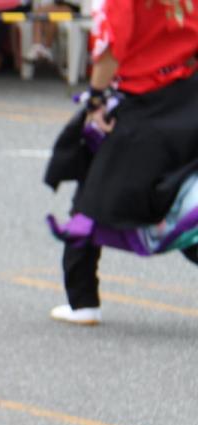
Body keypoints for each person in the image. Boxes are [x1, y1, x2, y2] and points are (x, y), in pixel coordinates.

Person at [43, 0, 198, 324]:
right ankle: (82, 299)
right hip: (186, 102)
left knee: (88, 200)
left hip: (138, 108)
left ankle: (82, 301)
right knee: (182, 206)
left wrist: (95, 100)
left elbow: (110, 50)